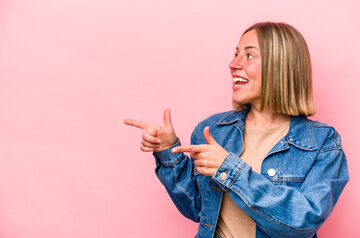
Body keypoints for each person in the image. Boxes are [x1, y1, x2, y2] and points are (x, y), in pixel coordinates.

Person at [124, 22, 349, 238]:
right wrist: (168, 151)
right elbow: (197, 208)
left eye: (249, 55)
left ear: (280, 65)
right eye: (236, 54)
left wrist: (229, 168)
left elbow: (303, 222)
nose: (233, 64)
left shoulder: (322, 143)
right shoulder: (213, 131)